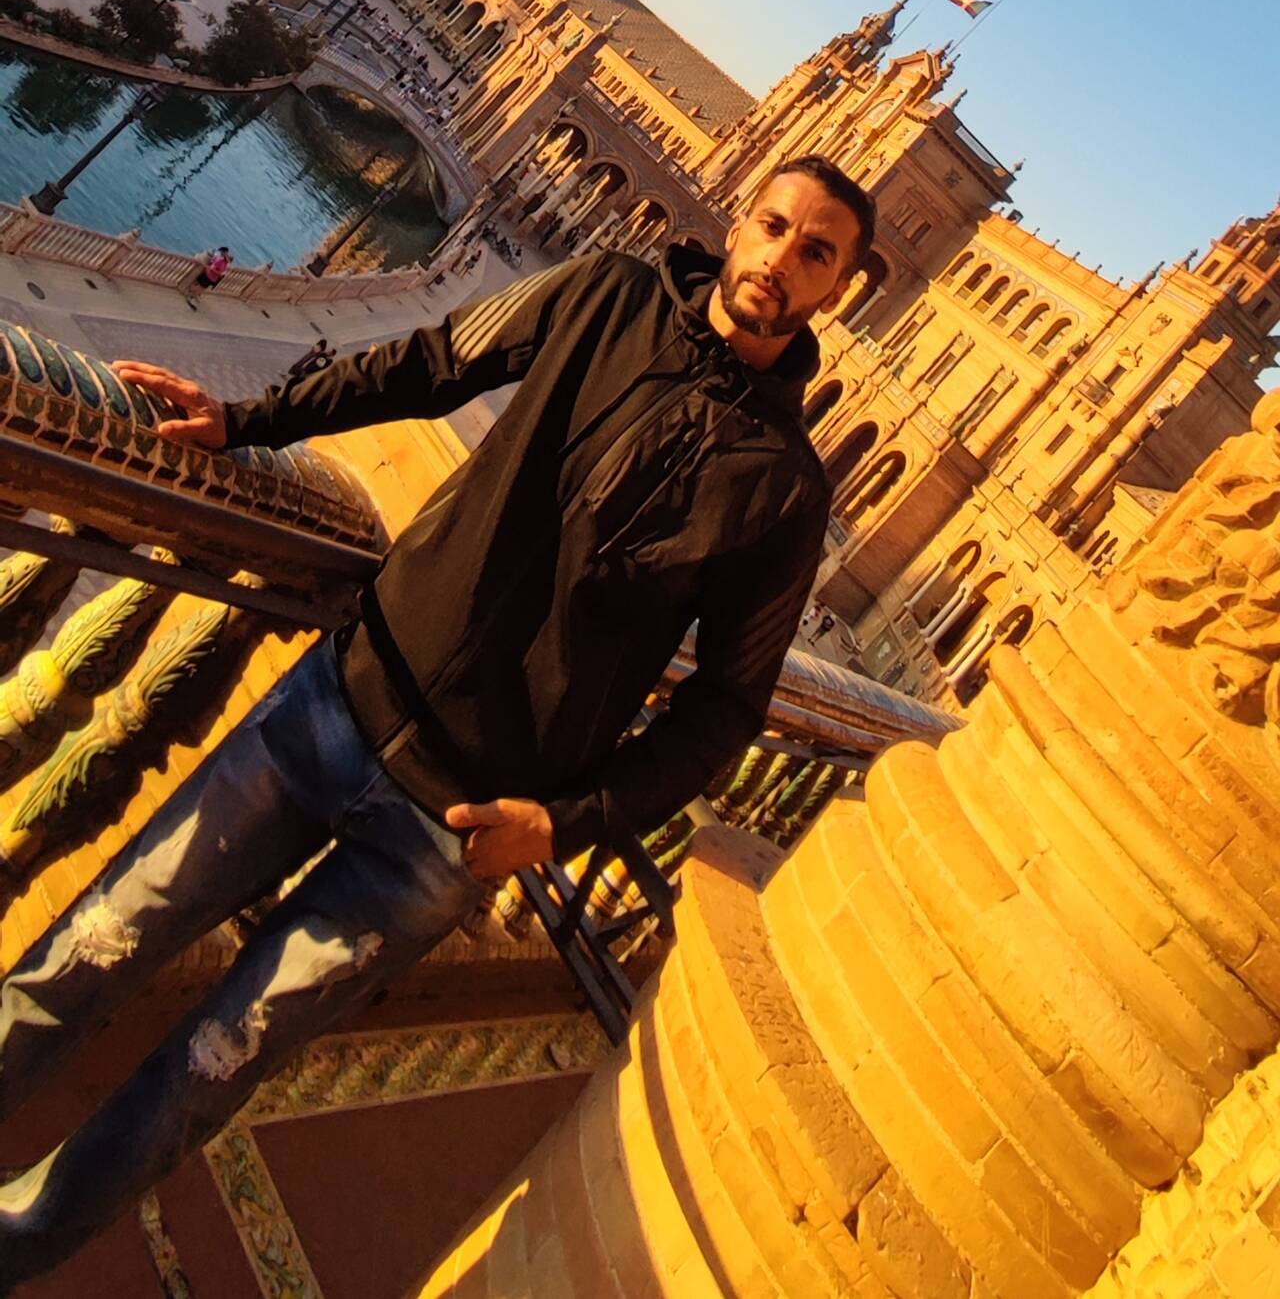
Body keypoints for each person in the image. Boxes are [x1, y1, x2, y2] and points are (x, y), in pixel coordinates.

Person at [0, 159, 875, 1284]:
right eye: (774, 225)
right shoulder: (607, 292)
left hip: (448, 837)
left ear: (838, 289)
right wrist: (245, 419)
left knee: (208, 1072)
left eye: (817, 252)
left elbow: (725, 708)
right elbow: (433, 360)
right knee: (95, 941)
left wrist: (564, 826)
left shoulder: (786, 492)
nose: (781, 259)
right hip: (336, 707)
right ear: (739, 221)